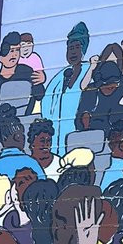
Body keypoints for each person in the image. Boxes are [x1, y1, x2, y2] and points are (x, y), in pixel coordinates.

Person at [42, 21, 90, 156]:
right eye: (70, 48)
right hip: (54, 141)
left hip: (78, 139)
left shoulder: (89, 71)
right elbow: (46, 103)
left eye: (77, 47)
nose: (73, 51)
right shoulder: (60, 76)